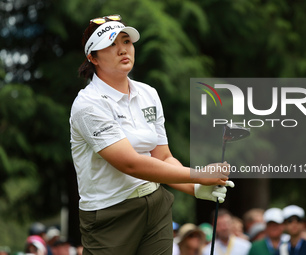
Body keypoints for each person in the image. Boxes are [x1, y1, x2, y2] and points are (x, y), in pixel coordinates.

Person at [70, 14, 233, 255]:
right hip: (110, 215)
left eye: (126, 42)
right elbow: (131, 163)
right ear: (92, 57)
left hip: (155, 205)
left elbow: (163, 158)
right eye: (111, 45)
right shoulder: (88, 104)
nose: (123, 50)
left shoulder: (148, 94)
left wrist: (196, 187)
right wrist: (197, 174)